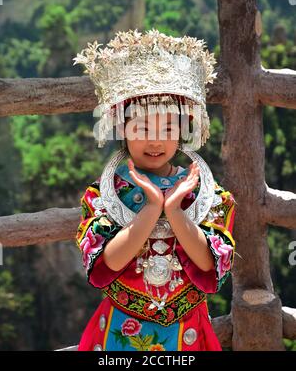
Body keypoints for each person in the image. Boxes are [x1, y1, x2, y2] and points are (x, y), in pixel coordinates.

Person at [73, 29, 237, 351]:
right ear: (123, 129)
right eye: (143, 129)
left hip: (187, 333)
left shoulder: (208, 195)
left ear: (182, 130)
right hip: (119, 336)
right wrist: (150, 209)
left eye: (167, 129)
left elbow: (209, 267)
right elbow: (106, 266)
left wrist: (175, 211)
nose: (155, 141)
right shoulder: (101, 197)